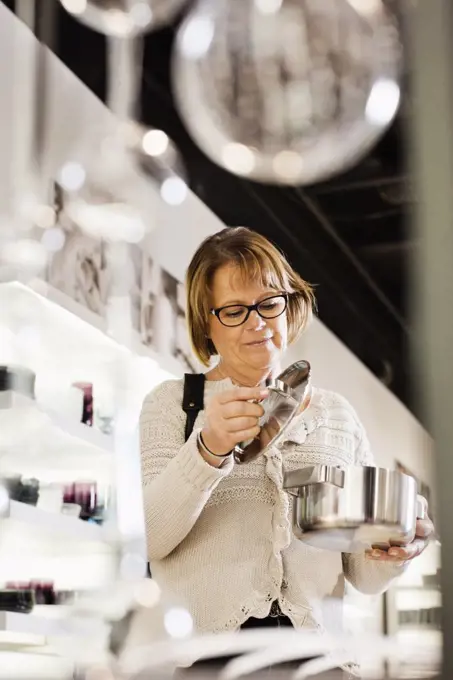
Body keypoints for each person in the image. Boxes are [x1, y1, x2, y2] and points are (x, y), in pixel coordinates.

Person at [139, 227, 434, 670]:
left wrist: (393, 551)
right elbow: (150, 538)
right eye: (235, 311)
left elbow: (362, 575)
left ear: (289, 305)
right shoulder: (174, 405)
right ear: (207, 323)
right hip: (204, 659)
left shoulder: (338, 415)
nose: (257, 323)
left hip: (320, 660)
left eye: (269, 303)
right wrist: (208, 448)